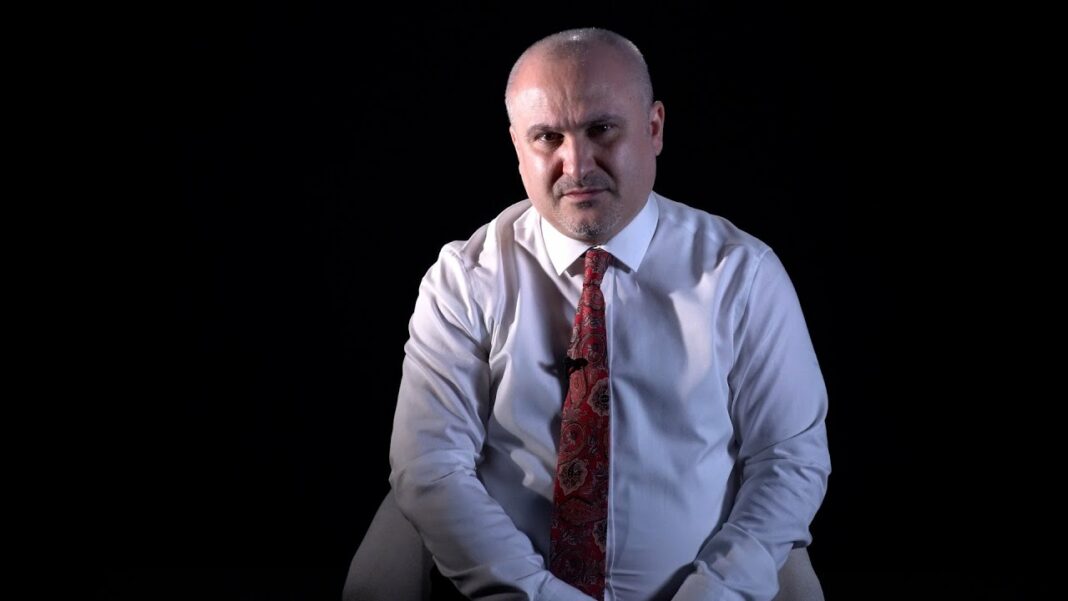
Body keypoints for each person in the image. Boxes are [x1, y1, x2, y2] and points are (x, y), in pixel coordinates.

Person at [345, 27, 830, 601]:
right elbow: (432, 465)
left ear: (654, 128)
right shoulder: (465, 278)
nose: (576, 164)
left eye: (601, 130)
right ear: (517, 147)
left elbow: (788, 459)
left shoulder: (741, 275)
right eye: (547, 137)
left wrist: (716, 590)